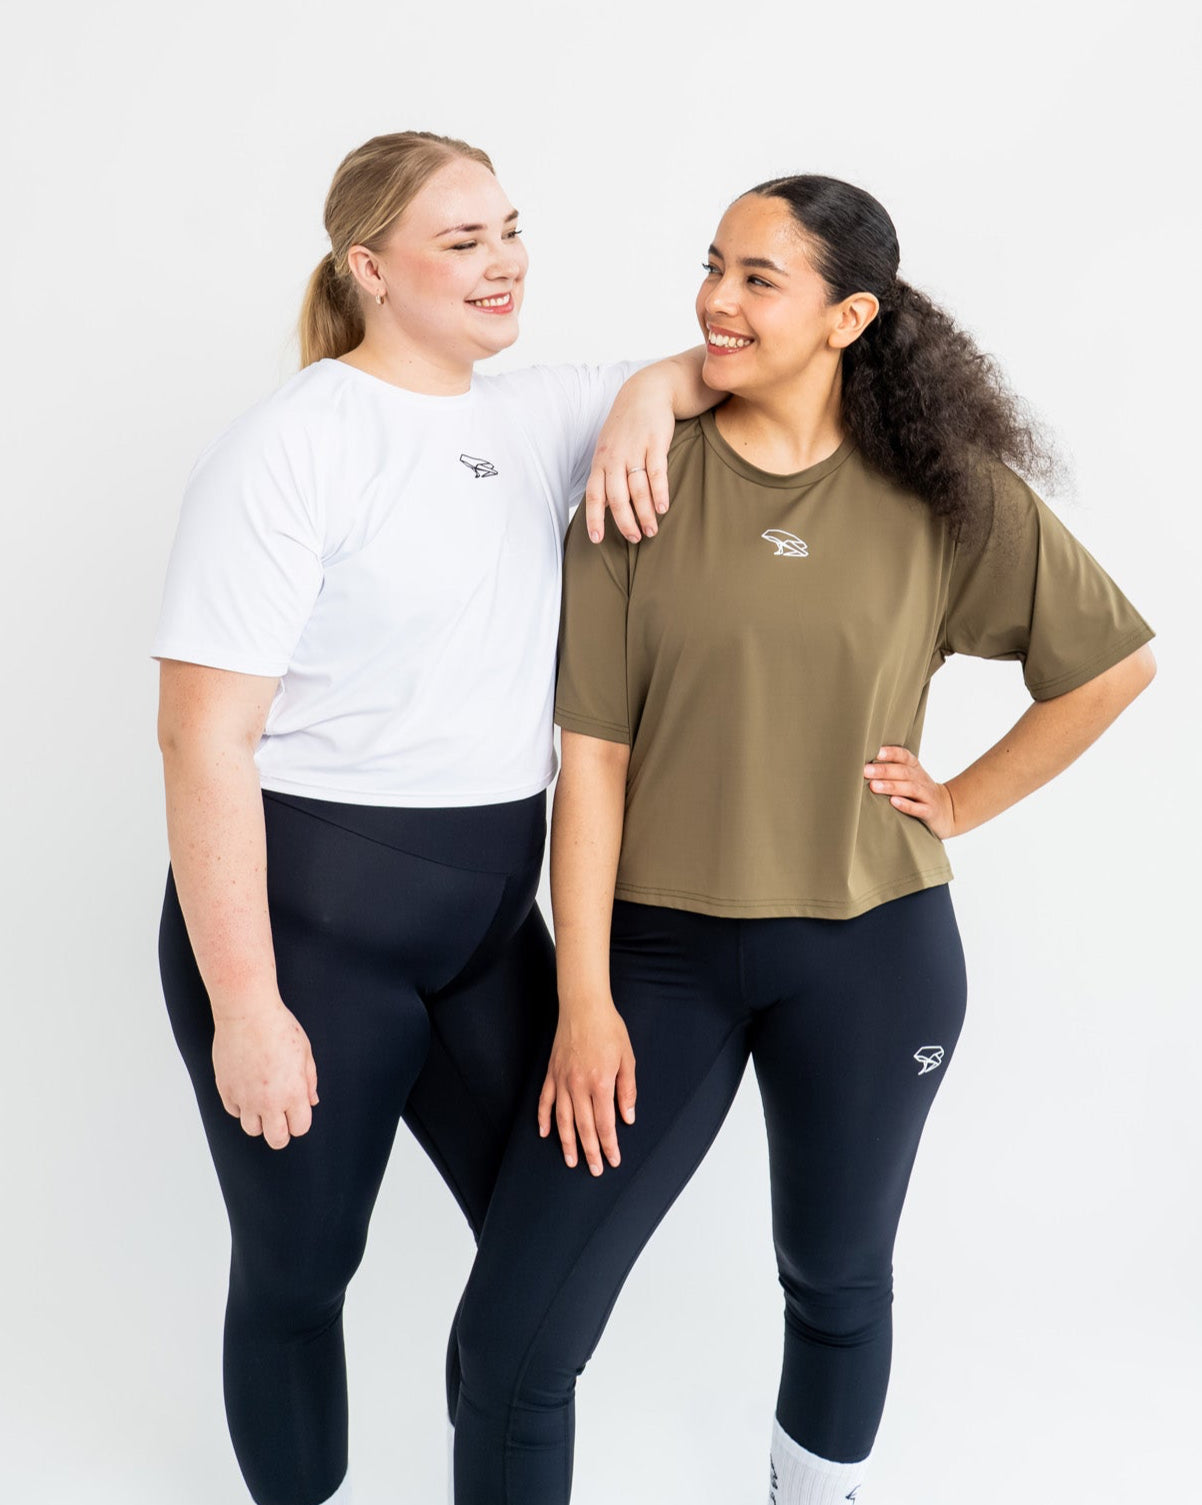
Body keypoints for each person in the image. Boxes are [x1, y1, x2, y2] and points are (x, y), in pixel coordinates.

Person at [451, 174, 1157, 1504]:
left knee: (835, 1282)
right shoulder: (642, 478)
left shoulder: (944, 495)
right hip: (657, 964)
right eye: (711, 265)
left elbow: (1110, 667)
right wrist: (584, 997)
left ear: (848, 317)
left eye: (757, 278)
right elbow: (590, 760)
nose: (715, 300)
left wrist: (958, 800)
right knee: (514, 1339)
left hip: (875, 955)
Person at [153, 129, 715, 1505]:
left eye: (509, 230)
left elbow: (715, 367)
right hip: (308, 938)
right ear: (368, 267)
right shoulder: (294, 446)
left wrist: (644, 399)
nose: (502, 261)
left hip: (484, 933)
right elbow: (202, 737)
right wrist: (246, 1006)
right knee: (300, 1273)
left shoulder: (532, 416)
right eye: (462, 242)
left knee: (536, 1268)